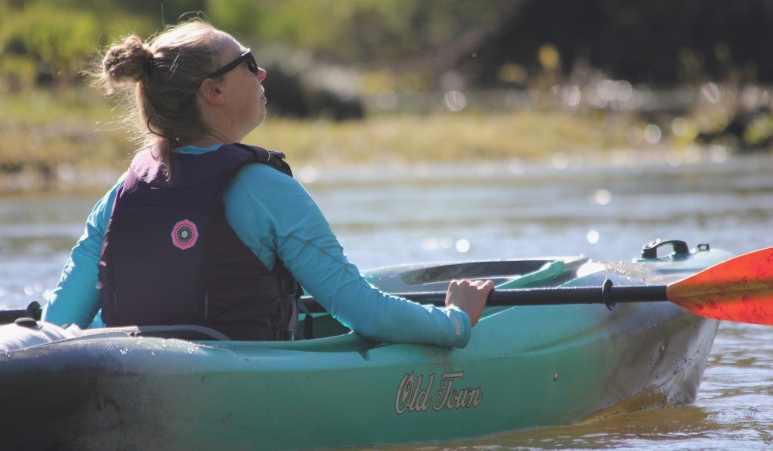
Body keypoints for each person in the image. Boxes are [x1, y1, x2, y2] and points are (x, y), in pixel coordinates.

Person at [42, 19, 493, 346]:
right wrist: (454, 321)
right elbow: (363, 312)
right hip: (244, 382)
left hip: (138, 369)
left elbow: (57, 326)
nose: (262, 74)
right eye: (247, 64)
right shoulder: (266, 191)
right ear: (213, 92)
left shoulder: (120, 196)